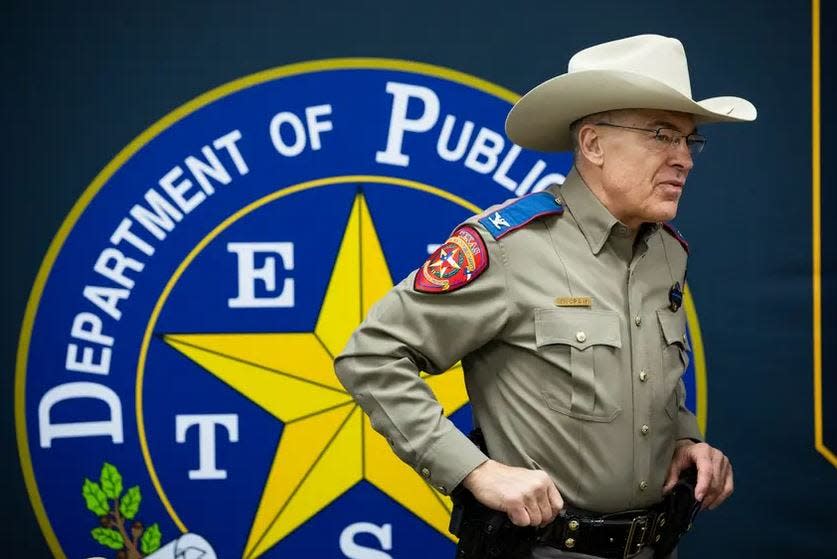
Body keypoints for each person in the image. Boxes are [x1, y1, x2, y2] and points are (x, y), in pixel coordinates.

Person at [334, 34, 756, 559]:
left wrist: (685, 442)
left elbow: (647, 378)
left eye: (688, 141)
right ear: (593, 144)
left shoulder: (665, 254)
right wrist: (474, 471)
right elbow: (371, 356)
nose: (684, 160)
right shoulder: (511, 246)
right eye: (661, 135)